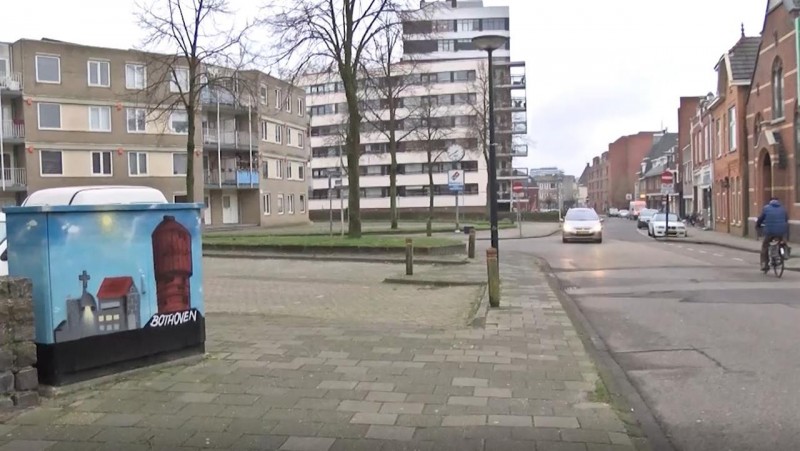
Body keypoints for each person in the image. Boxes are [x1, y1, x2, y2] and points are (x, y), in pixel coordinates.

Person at [756, 197, 789, 270]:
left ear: (770, 202)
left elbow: (761, 219)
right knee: (783, 242)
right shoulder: (783, 209)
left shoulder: (766, 208)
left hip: (770, 232)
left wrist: (758, 225)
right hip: (781, 231)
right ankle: (784, 254)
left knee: (765, 246)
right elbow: (786, 220)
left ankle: (764, 264)